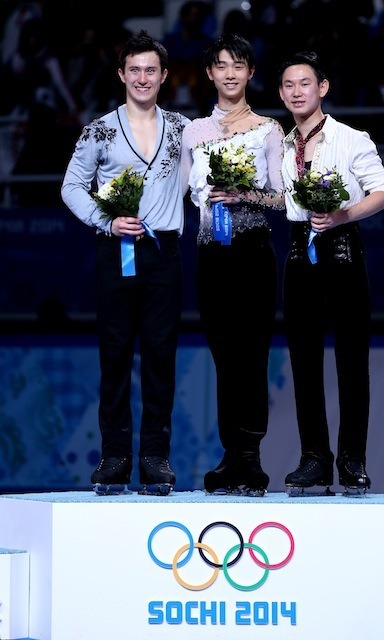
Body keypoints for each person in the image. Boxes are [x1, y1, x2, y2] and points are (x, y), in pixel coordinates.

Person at [61, 30, 190, 495]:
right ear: (121, 74)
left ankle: (155, 456)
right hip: (115, 252)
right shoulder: (98, 129)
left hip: (164, 253)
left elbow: (197, 182)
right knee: (115, 357)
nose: (142, 77)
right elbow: (71, 186)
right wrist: (106, 220)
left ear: (164, 76)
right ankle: (115, 457)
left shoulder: (182, 129)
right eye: (133, 69)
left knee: (160, 356)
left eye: (150, 70)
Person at [278, 50, 384, 495]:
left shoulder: (351, 138)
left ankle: (352, 460)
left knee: (351, 363)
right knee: (303, 363)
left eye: (304, 83)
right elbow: (281, 201)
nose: (295, 92)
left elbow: (383, 191)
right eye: (288, 85)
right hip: (297, 254)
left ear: (322, 88)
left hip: (343, 253)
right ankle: (313, 459)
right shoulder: (284, 144)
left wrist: (343, 215)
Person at [181, 33, 285, 496]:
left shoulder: (269, 129)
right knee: (223, 356)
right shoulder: (194, 131)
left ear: (250, 73)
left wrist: (245, 193)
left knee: (252, 354)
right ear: (210, 73)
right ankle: (230, 456)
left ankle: (252, 458)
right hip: (210, 251)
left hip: (252, 249)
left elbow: (283, 198)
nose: (229, 73)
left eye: (238, 65)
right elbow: (186, 192)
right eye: (221, 65)